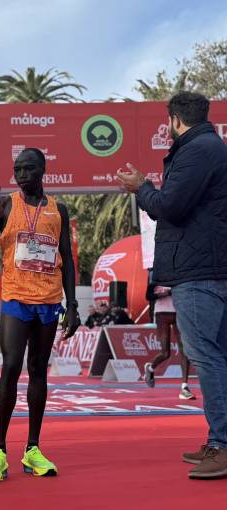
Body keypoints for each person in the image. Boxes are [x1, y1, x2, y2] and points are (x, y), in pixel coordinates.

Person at [117, 91, 227, 479]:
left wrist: (141, 187)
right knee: (217, 356)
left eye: (167, 121)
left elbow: (170, 207)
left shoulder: (197, 150)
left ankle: (221, 445)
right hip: (210, 266)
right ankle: (219, 440)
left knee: (207, 357)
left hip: (199, 271)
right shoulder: (211, 147)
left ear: (175, 120)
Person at [0, 148, 80, 482]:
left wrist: (73, 305)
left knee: (38, 371)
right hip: (16, 299)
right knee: (11, 366)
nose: (21, 174)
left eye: (28, 169)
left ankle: (33, 448)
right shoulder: (6, 205)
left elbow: (67, 258)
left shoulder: (58, 209)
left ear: (43, 170)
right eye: (17, 169)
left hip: (49, 300)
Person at [143, 284, 195, 399]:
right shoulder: (155, 279)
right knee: (165, 353)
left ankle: (184, 387)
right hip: (161, 314)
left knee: (184, 349)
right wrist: (165, 293)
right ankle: (150, 367)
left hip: (178, 312)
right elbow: (148, 296)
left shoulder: (178, 279)